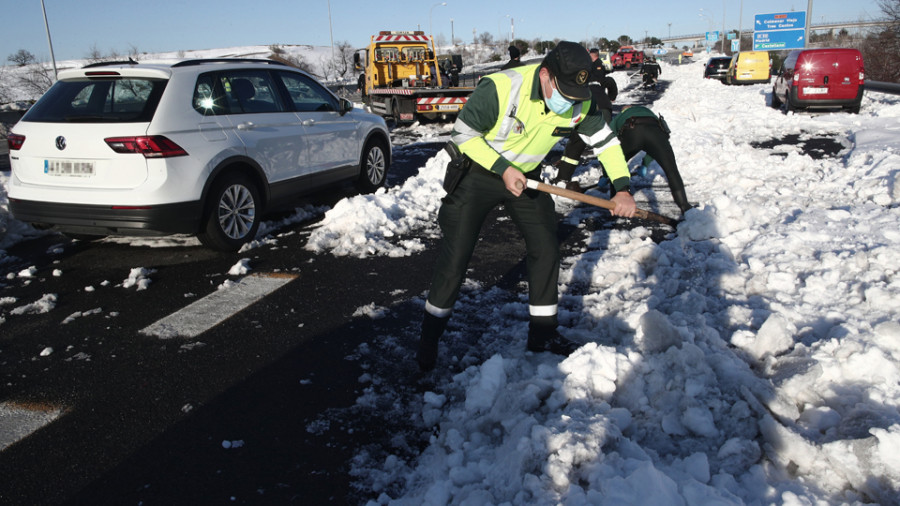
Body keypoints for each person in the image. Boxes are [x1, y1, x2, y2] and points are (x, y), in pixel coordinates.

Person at [417, 41, 636, 371]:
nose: (570, 103)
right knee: (456, 256)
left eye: (576, 95)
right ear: (544, 75)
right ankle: (429, 340)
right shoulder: (502, 88)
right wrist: (503, 169)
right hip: (480, 171)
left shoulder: (580, 99)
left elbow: (605, 143)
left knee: (546, 248)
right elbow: (463, 136)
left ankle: (543, 334)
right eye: (563, 92)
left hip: (529, 177)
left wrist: (622, 188)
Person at [555, 105, 693, 215]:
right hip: (655, 131)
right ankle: (685, 207)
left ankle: (616, 204)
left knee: (618, 167)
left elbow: (608, 147)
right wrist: (645, 164)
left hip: (631, 131)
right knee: (671, 170)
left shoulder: (620, 117)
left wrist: (606, 174)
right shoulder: (650, 113)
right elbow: (661, 140)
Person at [554, 47, 618, 192]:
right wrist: (611, 98)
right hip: (604, 106)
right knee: (605, 143)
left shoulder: (582, 78)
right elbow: (610, 82)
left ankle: (563, 178)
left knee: (576, 144)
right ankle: (608, 176)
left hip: (590, 107)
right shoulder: (599, 77)